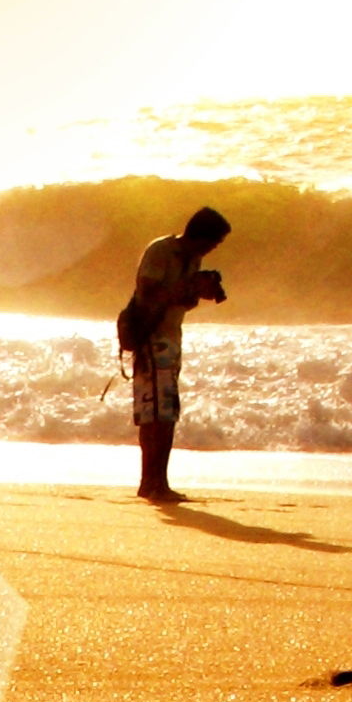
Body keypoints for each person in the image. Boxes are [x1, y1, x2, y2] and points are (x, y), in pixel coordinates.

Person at [120, 205, 231, 504]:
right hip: (150, 336)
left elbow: (182, 303)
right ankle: (150, 483)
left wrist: (197, 292)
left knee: (166, 413)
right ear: (200, 235)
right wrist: (186, 287)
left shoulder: (192, 258)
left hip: (171, 339)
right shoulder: (161, 250)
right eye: (214, 242)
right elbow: (147, 292)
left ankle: (159, 482)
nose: (212, 248)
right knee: (153, 414)